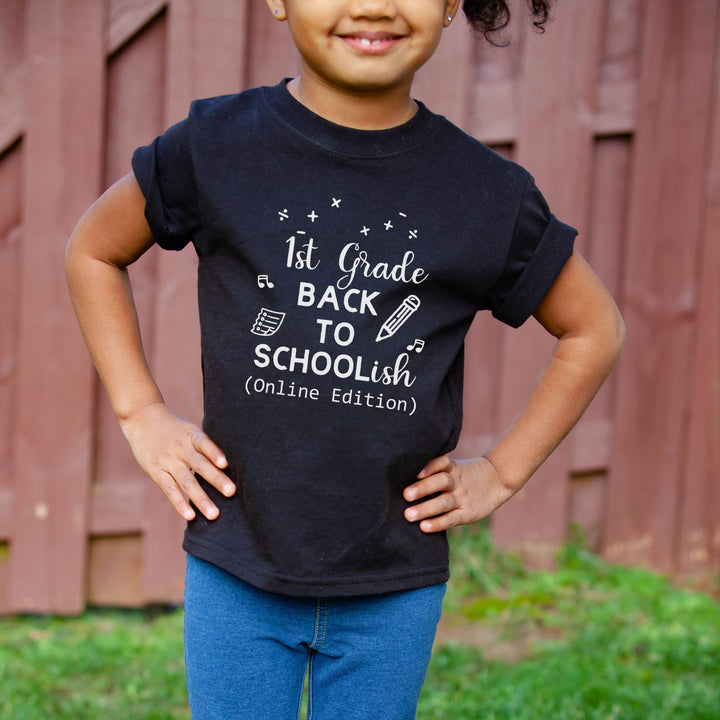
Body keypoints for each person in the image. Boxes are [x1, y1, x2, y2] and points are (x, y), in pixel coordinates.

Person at [65, 1, 625, 718]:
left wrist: (500, 472)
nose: (374, 3)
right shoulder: (216, 148)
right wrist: (139, 410)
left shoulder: (487, 195)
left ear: (453, 4)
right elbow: (92, 249)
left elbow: (593, 328)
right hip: (237, 568)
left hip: (393, 587)